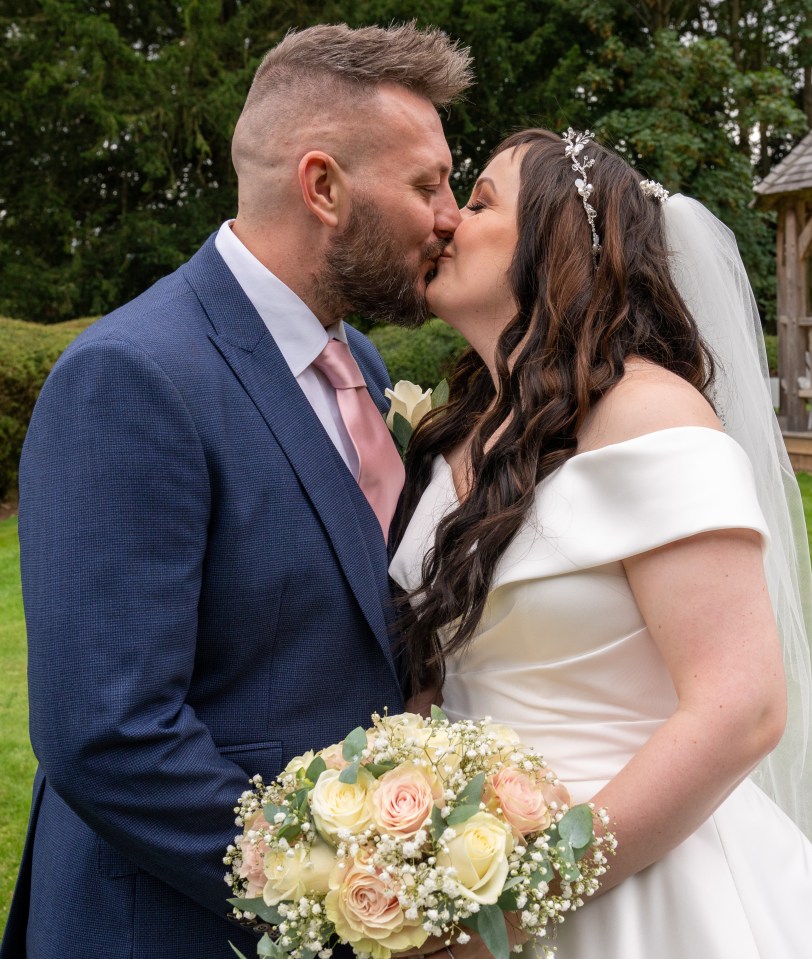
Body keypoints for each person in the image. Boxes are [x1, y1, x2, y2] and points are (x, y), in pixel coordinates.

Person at [1, 23, 472, 959]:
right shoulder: (132, 376)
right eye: (428, 185)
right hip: (175, 927)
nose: (451, 214)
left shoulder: (362, 363)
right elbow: (110, 736)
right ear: (324, 187)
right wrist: (354, 897)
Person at [389, 128, 812, 957]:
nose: (445, 219)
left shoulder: (649, 413)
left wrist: (535, 891)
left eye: (479, 200)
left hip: (641, 883)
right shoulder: (458, 435)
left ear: (556, 245)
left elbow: (742, 708)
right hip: (468, 880)